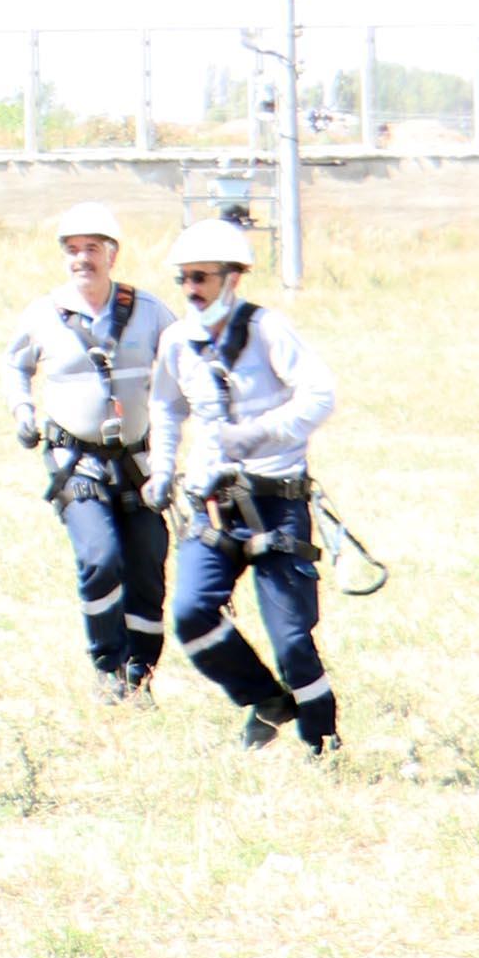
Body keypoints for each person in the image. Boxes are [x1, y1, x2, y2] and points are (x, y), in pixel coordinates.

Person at [145, 220, 341, 753]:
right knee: (190, 613)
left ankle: (321, 740)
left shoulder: (268, 330)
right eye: (183, 278)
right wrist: (162, 469)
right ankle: (265, 700)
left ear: (232, 278)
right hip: (212, 507)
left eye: (201, 276)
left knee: (293, 641)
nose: (191, 288)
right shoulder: (177, 342)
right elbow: (164, 406)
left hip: (276, 502)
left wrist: (254, 434)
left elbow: (320, 395)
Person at [2, 204, 177, 698]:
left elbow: (184, 361)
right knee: (100, 558)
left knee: (147, 562)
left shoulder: (150, 311)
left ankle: (139, 675)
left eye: (92, 249)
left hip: (138, 462)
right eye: (73, 249)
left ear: (113, 254)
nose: (82, 258)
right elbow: (14, 365)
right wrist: (22, 411)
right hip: (74, 460)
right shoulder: (44, 314)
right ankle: (108, 665)